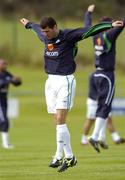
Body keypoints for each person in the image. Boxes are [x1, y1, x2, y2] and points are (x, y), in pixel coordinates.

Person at [20, 16, 123, 172]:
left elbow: (89, 30)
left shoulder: (68, 36)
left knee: (60, 119)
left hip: (65, 81)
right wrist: (28, 24)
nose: (46, 35)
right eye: (44, 32)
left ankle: (65, 156)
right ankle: (65, 155)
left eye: (48, 31)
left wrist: (109, 25)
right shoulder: (44, 36)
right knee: (56, 120)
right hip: (50, 82)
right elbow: (36, 30)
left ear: (55, 27)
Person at [81, 4, 125, 153]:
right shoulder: (109, 36)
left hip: (95, 74)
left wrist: (88, 13)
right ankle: (94, 136)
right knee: (105, 107)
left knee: (101, 106)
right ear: (108, 26)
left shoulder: (95, 35)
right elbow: (121, 25)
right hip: (106, 75)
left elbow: (87, 25)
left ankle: (99, 136)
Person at [0, 59, 22, 149]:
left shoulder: (6, 74)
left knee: (4, 121)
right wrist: (9, 80)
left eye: (6, 64)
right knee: (4, 121)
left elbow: (15, 83)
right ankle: (5, 144)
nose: (5, 66)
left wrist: (17, 81)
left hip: (4, 100)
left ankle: (6, 142)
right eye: (3, 64)